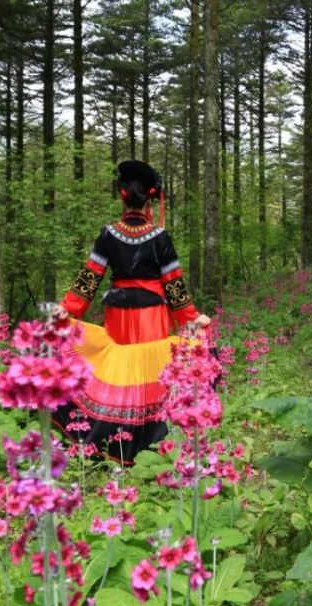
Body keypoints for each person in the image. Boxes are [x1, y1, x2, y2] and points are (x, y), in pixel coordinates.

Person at [51, 160, 211, 464]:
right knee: (149, 377)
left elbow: (89, 280)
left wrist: (66, 310)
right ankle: (148, 448)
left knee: (118, 375)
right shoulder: (160, 237)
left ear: (122, 195)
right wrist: (192, 320)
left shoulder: (108, 235)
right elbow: (174, 286)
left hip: (118, 314)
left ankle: (112, 444)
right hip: (151, 314)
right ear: (149, 200)